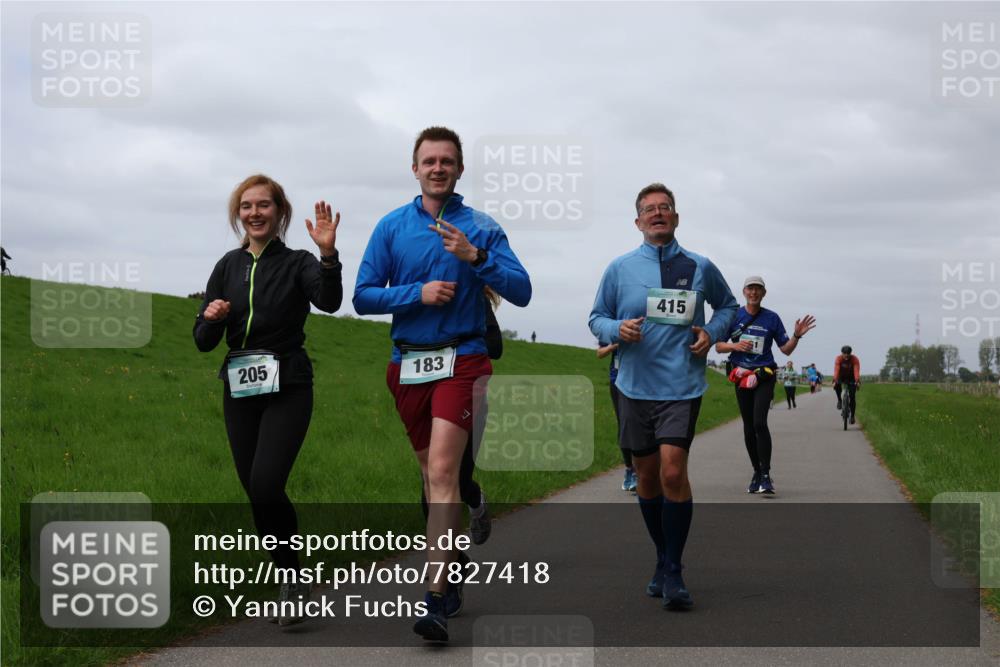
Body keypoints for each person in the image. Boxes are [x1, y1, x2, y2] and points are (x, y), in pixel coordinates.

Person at [353, 126, 531, 642]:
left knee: (442, 470)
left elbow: (521, 290)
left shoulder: (482, 227)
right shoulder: (391, 227)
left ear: (458, 170)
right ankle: (451, 576)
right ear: (415, 169)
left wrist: (476, 257)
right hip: (407, 364)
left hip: (464, 359)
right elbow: (363, 296)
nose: (437, 168)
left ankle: (432, 600)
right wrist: (416, 293)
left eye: (446, 161)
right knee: (435, 484)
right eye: (428, 161)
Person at [193, 174, 343, 625]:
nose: (254, 213)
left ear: (280, 213)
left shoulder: (298, 261)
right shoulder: (226, 266)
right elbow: (202, 340)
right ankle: (292, 576)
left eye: (263, 205)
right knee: (255, 491)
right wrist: (212, 317)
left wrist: (328, 255)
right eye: (246, 206)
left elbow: (330, 301)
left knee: (265, 483)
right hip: (240, 387)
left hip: (288, 385)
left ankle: (293, 585)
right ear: (238, 214)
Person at [589, 182, 737, 610]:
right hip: (634, 387)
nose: (658, 214)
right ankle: (662, 556)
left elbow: (726, 308)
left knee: (673, 473)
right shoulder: (619, 269)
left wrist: (711, 332)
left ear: (676, 217)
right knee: (648, 480)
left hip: (681, 386)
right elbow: (596, 317)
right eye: (649, 209)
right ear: (637, 221)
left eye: (665, 208)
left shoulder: (699, 265)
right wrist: (617, 330)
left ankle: (673, 570)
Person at [714, 277, 815, 495]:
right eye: (750, 288)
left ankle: (766, 475)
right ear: (744, 292)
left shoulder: (772, 318)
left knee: (760, 422)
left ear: (764, 293)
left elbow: (786, 350)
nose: (754, 292)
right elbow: (719, 347)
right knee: (749, 426)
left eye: (758, 289)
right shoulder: (735, 315)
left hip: (764, 375)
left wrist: (797, 335)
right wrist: (736, 345)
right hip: (741, 375)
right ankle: (756, 472)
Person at [597, 339, 634, 492]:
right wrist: (615, 345)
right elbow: (600, 353)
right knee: (624, 425)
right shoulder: (612, 327)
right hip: (617, 380)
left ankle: (645, 471)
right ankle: (630, 469)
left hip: (641, 378)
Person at [834, 345, 861, 424]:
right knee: (836, 385)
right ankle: (839, 400)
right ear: (842, 353)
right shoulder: (838, 359)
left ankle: (852, 416)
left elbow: (856, 371)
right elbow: (836, 370)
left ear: (850, 353)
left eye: (848, 353)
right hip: (841, 376)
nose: (846, 355)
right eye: (844, 353)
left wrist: (857, 381)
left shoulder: (854, 359)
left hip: (851, 377)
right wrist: (835, 380)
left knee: (852, 397)